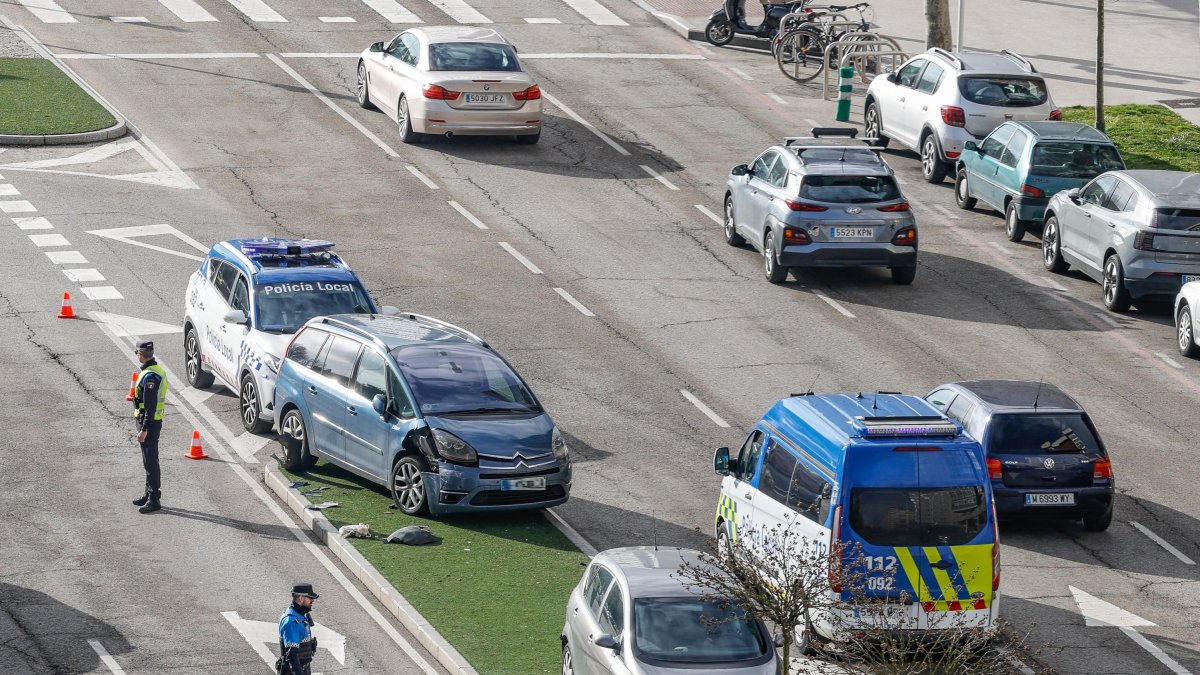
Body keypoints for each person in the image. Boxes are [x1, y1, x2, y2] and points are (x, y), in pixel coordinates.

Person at [131, 341, 167, 514]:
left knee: (151, 461)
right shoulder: (152, 370)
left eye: (137, 352)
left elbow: (150, 406)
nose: (137, 355)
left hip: (149, 423)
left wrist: (144, 428)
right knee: (148, 460)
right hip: (150, 421)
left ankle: (154, 499)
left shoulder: (151, 376)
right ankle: (148, 493)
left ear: (141, 354)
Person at [278, 584, 319, 675]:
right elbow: (292, 655)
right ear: (301, 598)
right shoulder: (291, 622)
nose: (312, 601)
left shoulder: (302, 614)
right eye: (310, 598)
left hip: (303, 668)